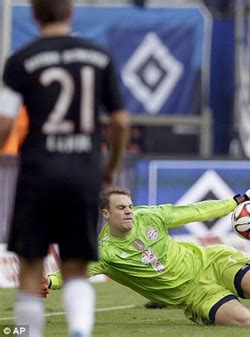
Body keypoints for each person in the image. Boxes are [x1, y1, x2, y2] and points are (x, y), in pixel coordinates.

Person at [44, 186, 250, 329]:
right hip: (196, 295)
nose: (129, 212)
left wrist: (241, 199)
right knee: (249, 323)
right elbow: (74, 272)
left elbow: (196, 211)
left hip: (210, 262)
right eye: (121, 208)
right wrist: (50, 281)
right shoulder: (105, 253)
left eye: (130, 206)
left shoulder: (150, 216)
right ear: (105, 213)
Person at [0, 1, 130, 336]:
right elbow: (119, 122)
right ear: (70, 12)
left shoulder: (19, 61)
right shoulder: (98, 57)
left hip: (37, 175)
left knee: (30, 267)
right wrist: (110, 167)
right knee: (75, 267)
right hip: (84, 173)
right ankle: (80, 331)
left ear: (34, 14)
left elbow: (5, 122)